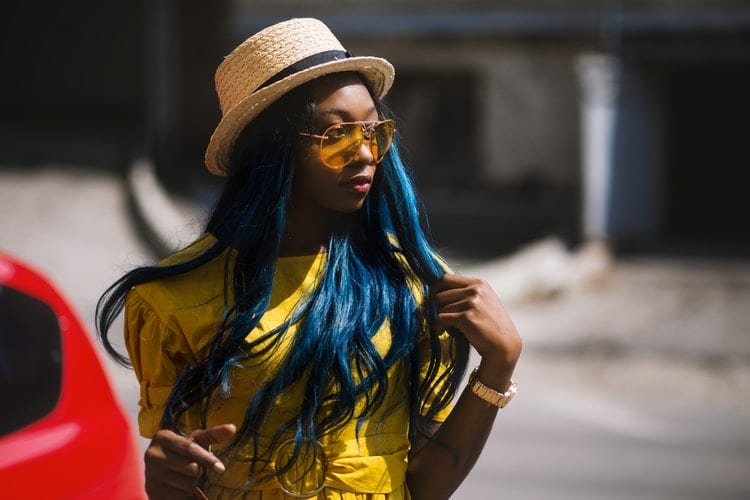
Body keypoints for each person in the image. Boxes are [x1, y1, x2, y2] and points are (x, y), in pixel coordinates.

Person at [97, 17, 522, 500]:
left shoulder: (410, 286)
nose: (365, 154)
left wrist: (498, 366)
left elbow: (422, 487)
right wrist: (165, 482)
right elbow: (181, 473)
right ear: (273, 149)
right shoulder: (170, 302)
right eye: (337, 135)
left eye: (375, 132)